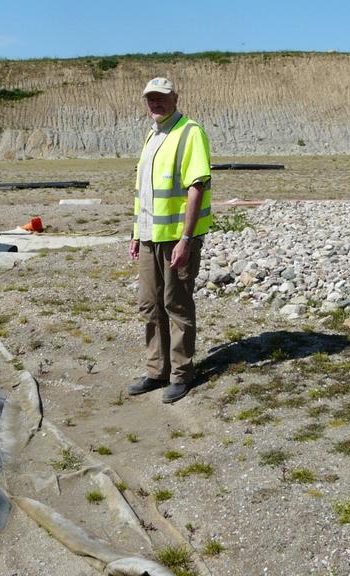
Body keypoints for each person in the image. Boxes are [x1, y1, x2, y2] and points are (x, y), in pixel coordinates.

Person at [127, 77, 213, 404]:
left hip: (177, 238)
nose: (155, 103)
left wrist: (186, 239)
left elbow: (196, 188)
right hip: (149, 236)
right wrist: (136, 233)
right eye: (150, 98)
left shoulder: (190, 133)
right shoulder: (152, 135)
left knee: (176, 304)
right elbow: (144, 193)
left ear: (176, 98)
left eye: (161, 98)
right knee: (149, 304)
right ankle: (156, 370)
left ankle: (181, 373)